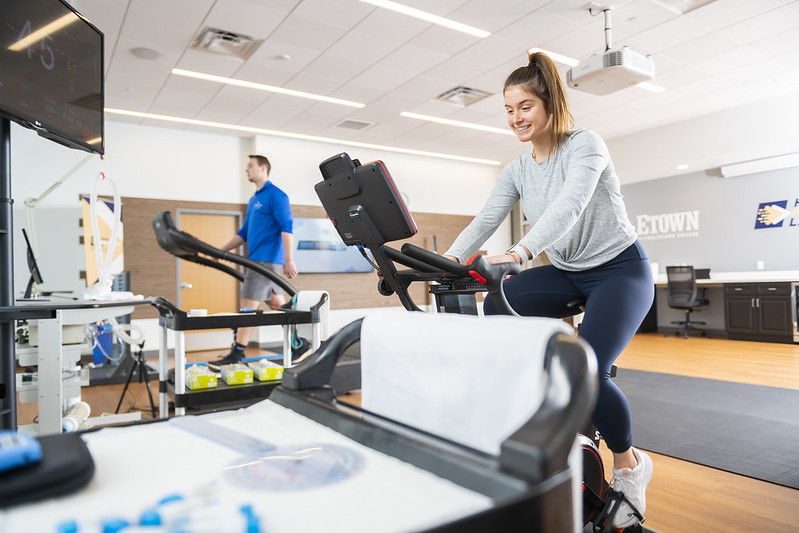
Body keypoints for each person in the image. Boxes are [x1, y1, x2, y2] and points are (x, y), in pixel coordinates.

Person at [443, 52, 654, 529]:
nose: (516, 118)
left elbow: (570, 206)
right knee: (501, 302)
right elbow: (486, 217)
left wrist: (518, 254)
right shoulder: (517, 168)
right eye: (509, 110)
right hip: (567, 270)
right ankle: (538, 408)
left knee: (587, 370)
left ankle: (628, 465)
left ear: (550, 105)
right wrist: (449, 260)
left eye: (525, 107)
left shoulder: (585, 145)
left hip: (620, 271)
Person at [212, 154, 298, 366]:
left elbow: (287, 228)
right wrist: (220, 251)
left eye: (250, 166)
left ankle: (238, 352)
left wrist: (289, 260)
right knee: (276, 303)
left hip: (265, 260)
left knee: (247, 303)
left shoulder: (277, 196)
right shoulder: (254, 199)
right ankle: (300, 343)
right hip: (256, 258)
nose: (246, 170)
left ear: (263, 169)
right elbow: (244, 232)